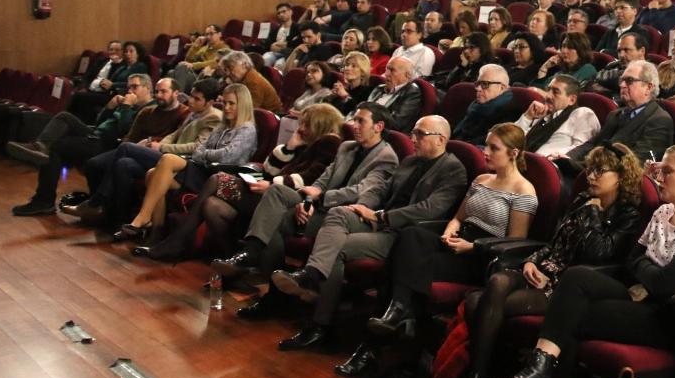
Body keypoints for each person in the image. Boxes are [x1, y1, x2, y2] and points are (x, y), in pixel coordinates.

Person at [484, 143, 675, 378]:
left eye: (667, 171)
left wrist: (644, 266)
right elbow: (632, 260)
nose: (658, 178)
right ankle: (538, 374)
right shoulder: (663, 212)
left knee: (572, 310)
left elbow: (663, 284)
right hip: (642, 296)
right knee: (576, 277)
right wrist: (647, 268)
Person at [270, 115, 469, 353]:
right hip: (380, 221)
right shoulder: (410, 161)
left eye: (420, 134)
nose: (412, 139)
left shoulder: (453, 170)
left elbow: (430, 209)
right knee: (339, 214)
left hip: (405, 236)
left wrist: (382, 216)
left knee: (337, 248)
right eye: (413, 132)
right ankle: (311, 275)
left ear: (441, 139)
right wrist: (360, 206)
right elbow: (380, 189)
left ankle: (319, 325)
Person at [454, 144, 644, 378]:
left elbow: (599, 253)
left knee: (478, 302)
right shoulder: (582, 199)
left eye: (601, 171)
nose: (591, 176)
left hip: (566, 287)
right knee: (498, 282)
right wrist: (532, 260)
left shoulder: (628, 214)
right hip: (544, 269)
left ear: (620, 176)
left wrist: (594, 214)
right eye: (590, 169)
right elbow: (554, 242)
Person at [364, 124, 537, 346]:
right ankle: (398, 314)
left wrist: (472, 247)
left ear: (513, 153)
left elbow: (515, 243)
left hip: (481, 255)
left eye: (494, 148)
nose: (485, 152)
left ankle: (383, 332)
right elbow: (458, 217)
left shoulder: (524, 190)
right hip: (457, 240)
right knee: (410, 235)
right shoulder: (482, 180)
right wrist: (450, 228)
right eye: (486, 145)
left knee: (405, 262)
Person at [211, 102, 400, 285]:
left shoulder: (386, 157)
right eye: (354, 120)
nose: (354, 125)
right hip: (320, 203)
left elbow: (361, 192)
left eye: (361, 121)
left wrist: (317, 200)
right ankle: (254, 255)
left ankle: (271, 284)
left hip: (344, 214)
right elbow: (323, 180)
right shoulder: (347, 147)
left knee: (277, 219)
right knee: (276, 191)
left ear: (378, 126)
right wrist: (308, 200)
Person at [132, 102, 343, 262]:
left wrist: (271, 185)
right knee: (211, 205)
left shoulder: (329, 143)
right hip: (269, 190)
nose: (300, 127)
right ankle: (230, 259)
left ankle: (177, 243)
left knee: (216, 179)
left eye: (305, 123)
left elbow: (309, 179)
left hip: (283, 200)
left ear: (319, 124)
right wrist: (289, 147)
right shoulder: (306, 143)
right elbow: (269, 169)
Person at [11, 74, 181, 216]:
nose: (130, 91)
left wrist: (127, 107)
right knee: (64, 117)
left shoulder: (145, 108)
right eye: (129, 87)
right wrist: (110, 107)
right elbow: (101, 122)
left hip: (107, 143)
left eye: (135, 87)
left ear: (147, 89)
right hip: (96, 134)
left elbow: (125, 131)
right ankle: (40, 146)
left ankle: (44, 199)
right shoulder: (133, 106)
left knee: (57, 147)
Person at [113, 83, 259, 241]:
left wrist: (205, 154)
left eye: (232, 103)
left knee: (167, 158)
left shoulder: (247, 130)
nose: (227, 107)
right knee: (152, 174)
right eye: (224, 103)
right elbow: (198, 152)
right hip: (202, 170)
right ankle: (155, 232)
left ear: (242, 105)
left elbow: (227, 157)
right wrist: (207, 155)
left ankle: (142, 218)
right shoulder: (222, 126)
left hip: (218, 179)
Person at [61, 77, 197, 226]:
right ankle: (102, 211)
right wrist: (136, 145)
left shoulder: (184, 113)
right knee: (94, 164)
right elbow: (129, 136)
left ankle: (99, 205)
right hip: (134, 149)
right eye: (157, 91)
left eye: (163, 91)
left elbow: (175, 139)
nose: (158, 95)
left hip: (157, 154)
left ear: (176, 93)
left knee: (123, 162)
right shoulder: (147, 112)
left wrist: (151, 142)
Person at [566, 61, 673, 165]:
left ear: (648, 87)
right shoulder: (615, 114)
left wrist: (578, 165)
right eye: (621, 80)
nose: (622, 85)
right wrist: (567, 158)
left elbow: (636, 164)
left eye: (629, 80)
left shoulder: (659, 121)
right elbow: (592, 144)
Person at [514, 74, 601, 157]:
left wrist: (550, 158)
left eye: (555, 92)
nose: (548, 95)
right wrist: (527, 117)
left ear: (572, 100)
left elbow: (581, 151)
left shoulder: (582, 114)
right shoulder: (543, 114)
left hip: (547, 166)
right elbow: (512, 140)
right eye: (548, 90)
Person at [452, 65, 516, 145]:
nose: (478, 89)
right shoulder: (476, 106)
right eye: (478, 84)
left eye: (485, 84)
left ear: (502, 88)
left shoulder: (510, 113)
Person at [589, 29, 649, 97]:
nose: (621, 55)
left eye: (627, 50)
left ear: (642, 51)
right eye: (619, 51)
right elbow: (593, 79)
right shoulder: (613, 65)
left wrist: (605, 87)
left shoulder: (649, 72)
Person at [532, 32, 597, 90]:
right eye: (563, 46)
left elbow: (565, 93)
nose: (564, 51)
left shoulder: (588, 69)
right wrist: (545, 67)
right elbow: (538, 88)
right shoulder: (561, 72)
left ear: (581, 50)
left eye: (570, 47)